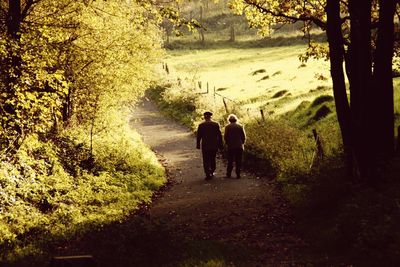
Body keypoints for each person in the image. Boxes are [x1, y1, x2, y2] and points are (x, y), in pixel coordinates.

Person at [196, 111, 223, 180]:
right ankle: (212, 171)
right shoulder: (216, 124)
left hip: (205, 145)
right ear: (211, 117)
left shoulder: (201, 125)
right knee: (212, 158)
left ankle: (207, 173)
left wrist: (198, 145)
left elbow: (199, 136)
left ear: (204, 117)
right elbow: (219, 135)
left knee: (206, 159)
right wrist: (221, 145)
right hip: (214, 145)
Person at [224, 114, 246, 178]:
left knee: (230, 160)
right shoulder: (240, 126)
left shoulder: (227, 127)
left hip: (231, 146)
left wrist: (227, 143)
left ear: (229, 120)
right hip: (239, 146)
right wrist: (242, 143)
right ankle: (238, 174)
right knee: (238, 160)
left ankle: (229, 174)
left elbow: (225, 136)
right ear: (236, 119)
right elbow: (243, 136)